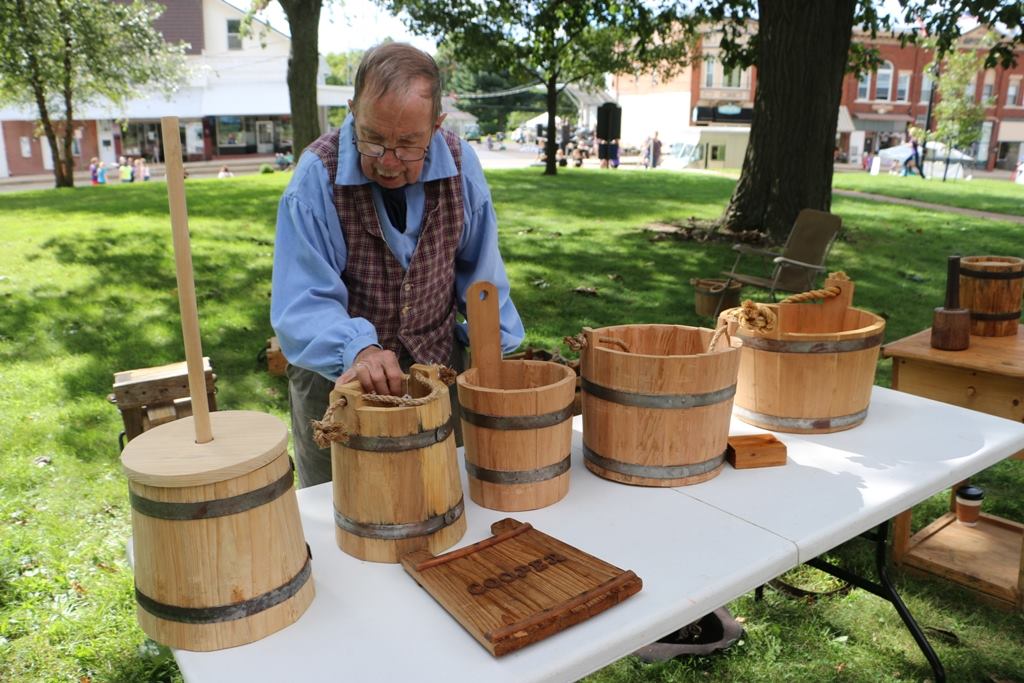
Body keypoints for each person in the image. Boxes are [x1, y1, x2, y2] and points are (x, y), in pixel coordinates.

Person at [271, 42, 525, 488]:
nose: (388, 162)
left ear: (436, 126)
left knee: (440, 493)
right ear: (352, 110)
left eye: (408, 144)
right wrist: (358, 350)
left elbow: (483, 281)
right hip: (338, 383)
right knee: (339, 505)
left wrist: (493, 354)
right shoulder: (316, 177)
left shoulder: (461, 167)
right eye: (372, 138)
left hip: (437, 370)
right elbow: (302, 303)